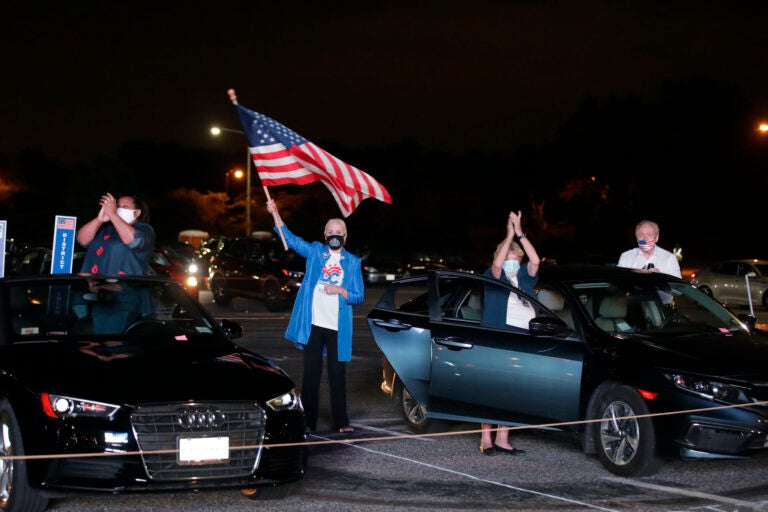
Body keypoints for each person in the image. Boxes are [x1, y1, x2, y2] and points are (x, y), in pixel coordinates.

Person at [266, 198, 364, 434]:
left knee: (337, 374)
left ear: (345, 236)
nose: (334, 234)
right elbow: (290, 239)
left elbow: (358, 295)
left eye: (338, 231)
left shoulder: (352, 262)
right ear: (324, 234)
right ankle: (308, 422)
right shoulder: (315, 252)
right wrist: (275, 214)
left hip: (337, 327)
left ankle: (341, 422)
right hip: (314, 324)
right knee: (311, 375)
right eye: (330, 231)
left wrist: (341, 290)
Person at [480, 210, 540, 456]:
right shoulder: (494, 275)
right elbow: (496, 265)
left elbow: (536, 261)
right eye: (508, 257)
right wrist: (507, 236)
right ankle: (486, 439)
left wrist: (520, 233)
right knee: (492, 388)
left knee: (511, 389)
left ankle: (503, 438)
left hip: (521, 338)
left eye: (515, 257)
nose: (510, 261)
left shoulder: (525, 278)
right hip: (498, 338)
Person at [77, 193, 155, 275]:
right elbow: (82, 240)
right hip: (92, 284)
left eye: (125, 207)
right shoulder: (106, 229)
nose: (118, 209)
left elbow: (134, 241)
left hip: (126, 286)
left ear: (137, 213)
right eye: (117, 206)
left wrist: (112, 214)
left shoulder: (144, 229)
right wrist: (99, 220)